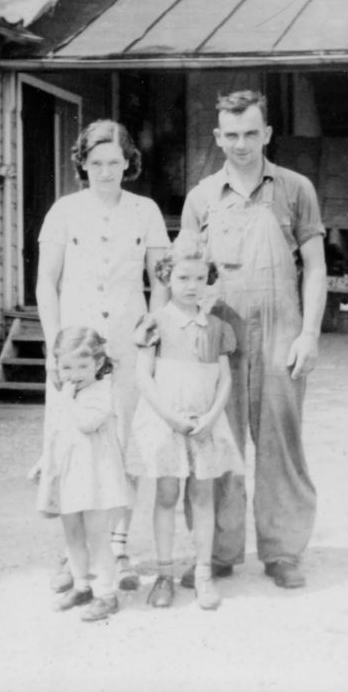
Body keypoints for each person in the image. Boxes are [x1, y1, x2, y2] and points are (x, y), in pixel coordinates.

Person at [180, 89, 327, 590]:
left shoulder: (294, 188)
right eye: (231, 135)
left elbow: (316, 268)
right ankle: (217, 552)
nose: (241, 144)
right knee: (218, 441)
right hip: (221, 333)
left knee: (279, 443)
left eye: (250, 133)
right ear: (218, 137)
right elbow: (182, 272)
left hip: (282, 330)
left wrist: (309, 333)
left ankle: (283, 551)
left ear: (266, 134)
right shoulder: (201, 197)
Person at [35, 120, 170, 592]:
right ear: (83, 164)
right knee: (73, 446)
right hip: (76, 348)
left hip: (128, 343)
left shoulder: (146, 211)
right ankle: (72, 557)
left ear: (128, 163)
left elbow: (162, 280)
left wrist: (153, 328)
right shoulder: (64, 211)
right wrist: (55, 349)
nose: (106, 172)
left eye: (115, 163)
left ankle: (118, 548)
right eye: (96, 164)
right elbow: (45, 284)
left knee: (123, 445)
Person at [125, 234, 242, 611]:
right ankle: (163, 573)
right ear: (166, 278)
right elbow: (143, 378)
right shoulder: (153, 323)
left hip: (204, 422)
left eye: (199, 278)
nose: (191, 286)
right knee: (166, 495)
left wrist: (211, 417)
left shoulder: (218, 327)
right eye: (182, 279)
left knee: (202, 496)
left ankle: (204, 572)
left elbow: (224, 379)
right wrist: (172, 418)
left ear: (209, 279)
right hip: (166, 422)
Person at [33, 327, 128, 622]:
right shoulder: (67, 394)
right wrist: (43, 461)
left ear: (98, 364)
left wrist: (65, 399)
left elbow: (86, 423)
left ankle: (107, 593)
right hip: (70, 473)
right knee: (72, 532)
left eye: (83, 366)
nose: (74, 374)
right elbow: (58, 433)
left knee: (97, 535)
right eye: (67, 367)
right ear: (57, 366)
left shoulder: (102, 391)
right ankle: (82, 584)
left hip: (96, 476)